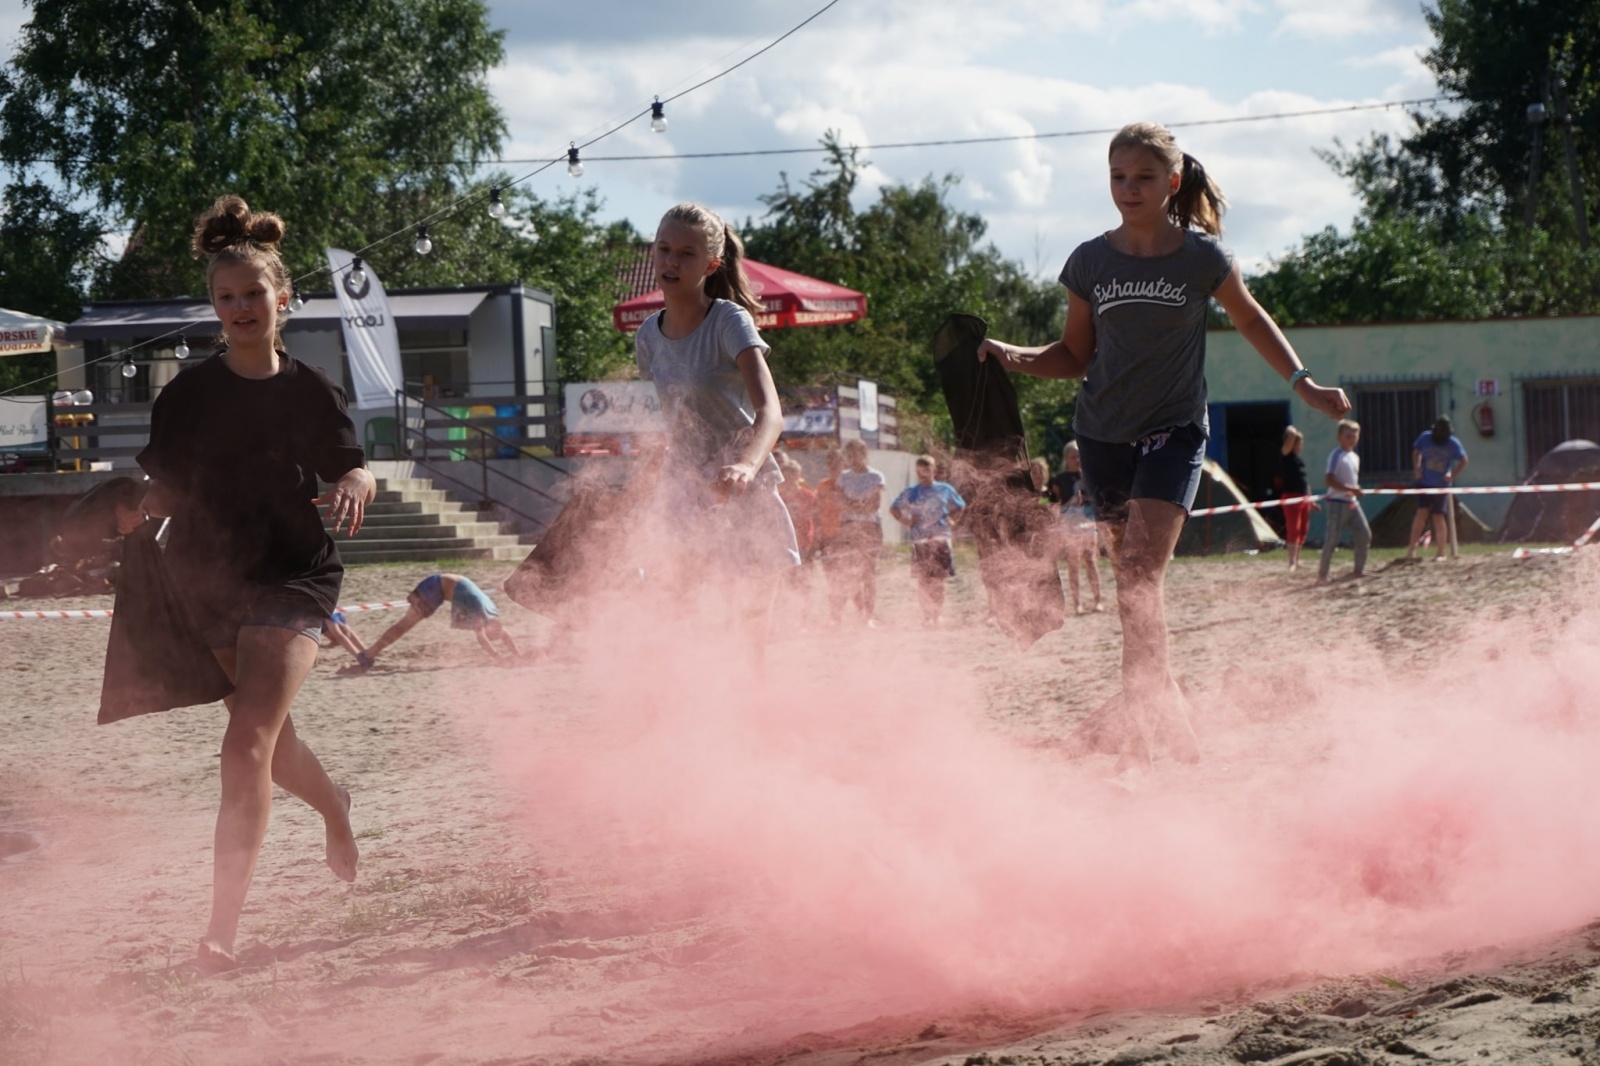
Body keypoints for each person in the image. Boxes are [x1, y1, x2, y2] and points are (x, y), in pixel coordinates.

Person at [977, 122, 1350, 766]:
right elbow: (1073, 354)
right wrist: (1009, 356)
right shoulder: (1089, 261)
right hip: (1100, 437)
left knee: (1139, 577)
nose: (1129, 188)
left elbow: (1252, 318)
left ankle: (1140, 727)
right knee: (1132, 584)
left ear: (1172, 182)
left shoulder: (1202, 258)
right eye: (1118, 176)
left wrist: (1303, 382)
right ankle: (1167, 705)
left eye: (1143, 177)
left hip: (1173, 432)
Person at [135, 195, 376, 971]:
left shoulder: (309, 388)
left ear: (283, 299)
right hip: (206, 580)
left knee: (244, 748)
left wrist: (360, 483)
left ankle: (221, 930)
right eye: (225, 297)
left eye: (253, 293)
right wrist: (125, 515)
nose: (240, 307)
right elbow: (163, 491)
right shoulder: (187, 396)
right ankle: (334, 804)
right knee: (267, 746)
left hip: (293, 576)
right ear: (214, 308)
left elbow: (351, 462)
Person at [633, 202, 799, 637]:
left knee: (750, 626)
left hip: (742, 488)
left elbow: (771, 413)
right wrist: (638, 482)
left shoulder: (729, 320)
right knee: (672, 609)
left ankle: (755, 701)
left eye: (686, 253)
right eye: (664, 249)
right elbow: (673, 424)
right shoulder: (648, 336)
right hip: (684, 488)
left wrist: (746, 465)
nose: (671, 261)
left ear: (711, 263)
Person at [357, 573, 520, 665]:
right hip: (435, 586)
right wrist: (498, 657)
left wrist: (517, 655)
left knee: (405, 625)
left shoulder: (491, 611)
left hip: (441, 583)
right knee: (404, 625)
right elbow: (482, 637)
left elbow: (503, 633)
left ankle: (369, 654)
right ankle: (369, 655)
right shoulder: (480, 612)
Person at [890, 455, 967, 626]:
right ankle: (926, 616)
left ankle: (937, 615)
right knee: (923, 580)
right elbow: (894, 508)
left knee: (938, 580)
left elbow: (961, 506)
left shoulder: (945, 489)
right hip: (920, 541)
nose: (923, 474)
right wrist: (906, 521)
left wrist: (953, 521)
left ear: (934, 471)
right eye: (919, 471)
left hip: (940, 538)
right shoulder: (912, 491)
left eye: (927, 470)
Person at [834, 438, 886, 627]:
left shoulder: (876, 476)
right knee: (852, 572)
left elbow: (876, 504)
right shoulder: (844, 477)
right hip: (848, 528)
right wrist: (858, 506)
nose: (854, 458)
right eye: (850, 454)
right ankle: (859, 612)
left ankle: (869, 616)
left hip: (870, 528)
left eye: (857, 453)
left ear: (865, 454)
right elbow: (839, 502)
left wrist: (855, 506)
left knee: (868, 573)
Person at [1049, 441, 1104, 613]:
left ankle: (1098, 601)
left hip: (1088, 520)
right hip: (1069, 522)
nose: (1077, 459)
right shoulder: (1059, 479)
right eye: (1073, 456)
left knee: (1091, 560)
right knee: (1073, 562)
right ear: (1066, 458)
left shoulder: (1089, 476)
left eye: (1079, 455)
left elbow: (1098, 498)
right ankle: (1077, 603)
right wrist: (1068, 504)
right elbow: (1053, 502)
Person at [1406, 416, 1469, 561]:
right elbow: (1416, 451)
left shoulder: (1453, 443)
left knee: (1438, 516)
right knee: (1421, 514)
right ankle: (1411, 550)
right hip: (1424, 482)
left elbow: (1464, 460)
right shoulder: (1425, 437)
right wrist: (1416, 468)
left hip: (1441, 486)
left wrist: (1452, 475)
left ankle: (1441, 552)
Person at [1318, 419, 1370, 583]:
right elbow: (1329, 481)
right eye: (1348, 436)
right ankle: (1322, 576)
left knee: (1364, 535)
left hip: (1352, 503)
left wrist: (1354, 490)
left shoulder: (1354, 457)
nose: (1352, 439)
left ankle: (1358, 570)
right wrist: (1351, 489)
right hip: (1337, 503)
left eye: (1355, 435)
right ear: (1339, 437)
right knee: (1332, 540)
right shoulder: (1336, 455)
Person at [1279, 426, 1314, 572]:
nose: (1300, 445)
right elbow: (1291, 433)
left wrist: (1310, 499)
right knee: (1294, 528)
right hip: (1291, 497)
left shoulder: (1299, 460)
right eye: (1298, 442)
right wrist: (1292, 432)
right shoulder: (1286, 455)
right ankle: (1291, 561)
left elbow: (1304, 481)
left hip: (1303, 498)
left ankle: (1297, 560)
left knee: (1303, 529)